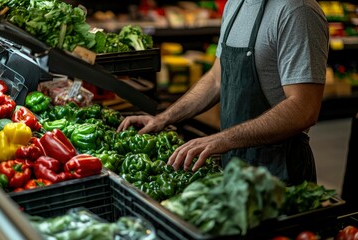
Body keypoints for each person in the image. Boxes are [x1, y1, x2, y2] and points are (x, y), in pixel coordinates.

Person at [118, 0, 329, 185]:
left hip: (278, 170)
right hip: (235, 161)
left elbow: (304, 108)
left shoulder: (298, 11)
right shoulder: (235, 4)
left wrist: (222, 140)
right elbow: (216, 79)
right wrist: (163, 119)